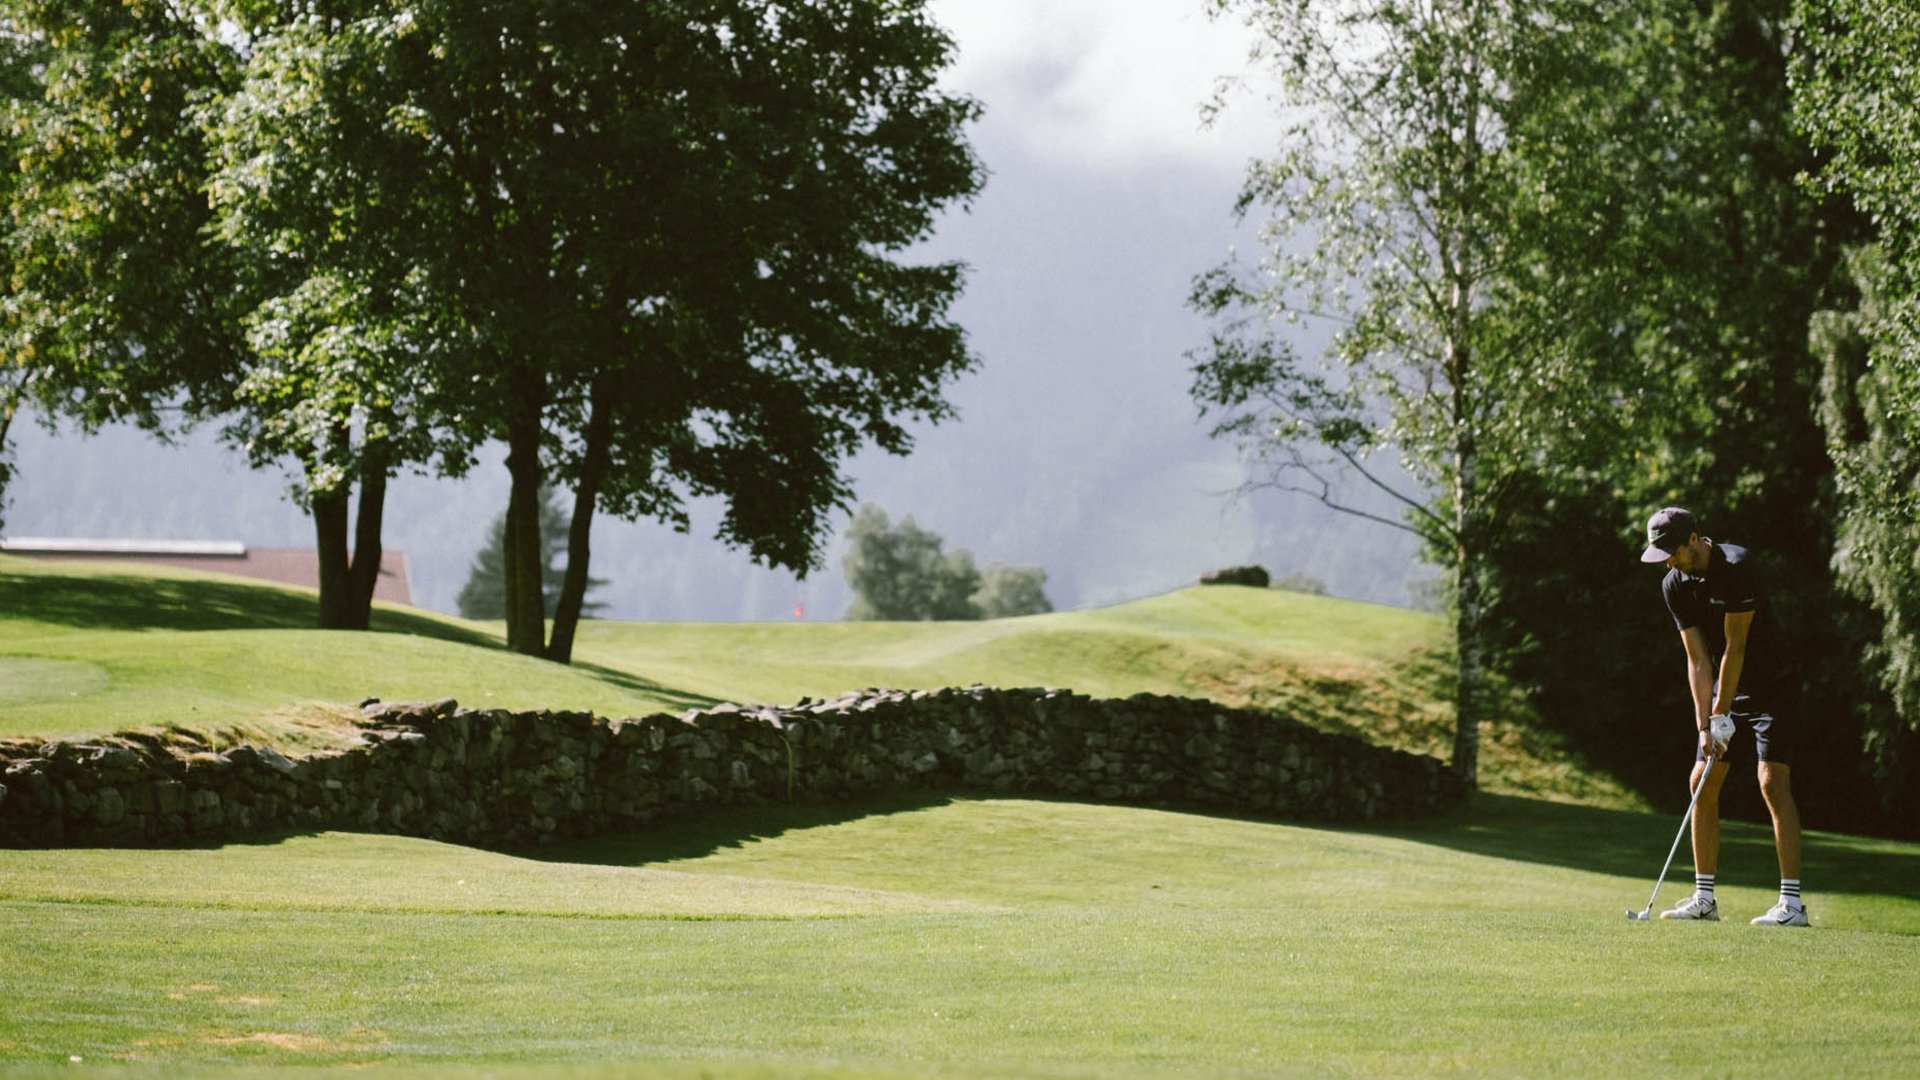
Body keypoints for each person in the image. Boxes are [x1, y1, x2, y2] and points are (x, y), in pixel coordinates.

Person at [1639, 506, 1808, 927]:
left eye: (1673, 552)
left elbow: (1736, 647)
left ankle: (1792, 905)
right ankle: (1704, 898)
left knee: (1771, 780)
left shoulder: (1737, 567)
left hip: (1773, 685)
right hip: (1726, 689)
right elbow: (1698, 660)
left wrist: (1721, 713)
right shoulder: (1674, 585)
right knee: (1702, 780)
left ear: (1693, 539)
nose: (1671, 562)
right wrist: (1705, 725)